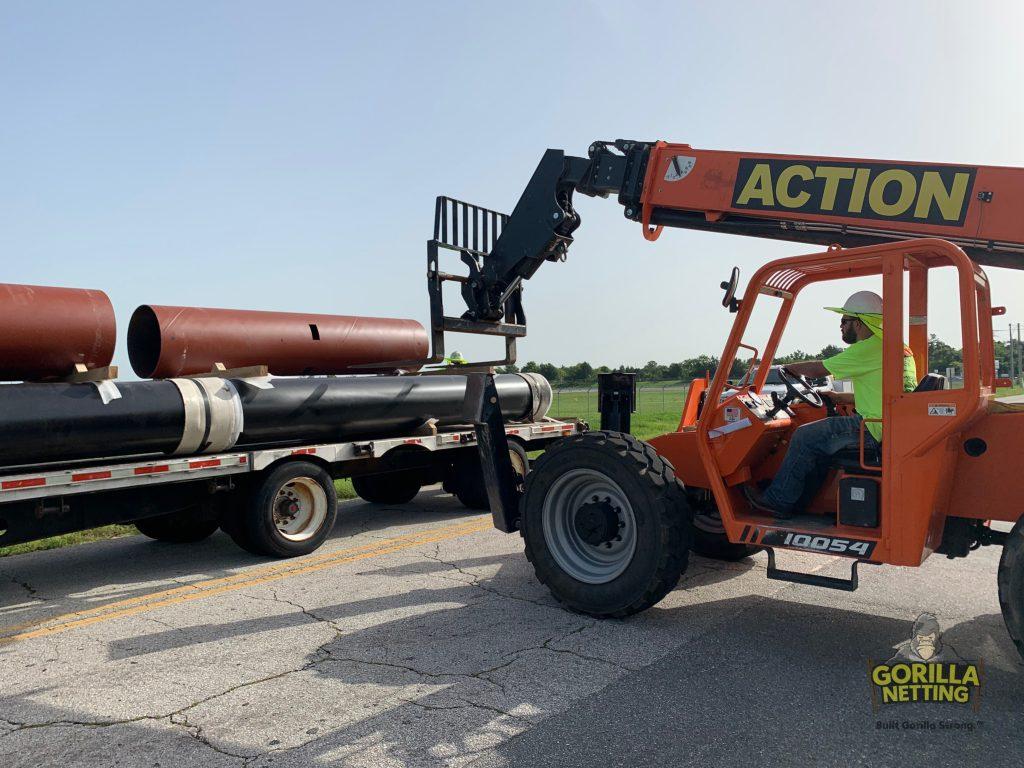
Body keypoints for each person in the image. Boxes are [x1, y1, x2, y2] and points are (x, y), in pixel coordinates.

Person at [744, 291, 917, 519]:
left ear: (859, 322)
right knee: (818, 442)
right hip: (889, 424)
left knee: (804, 436)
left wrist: (788, 368)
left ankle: (777, 501)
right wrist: (837, 397)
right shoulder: (896, 346)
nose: (841, 327)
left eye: (844, 321)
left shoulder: (870, 347)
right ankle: (799, 503)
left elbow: (819, 368)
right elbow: (885, 393)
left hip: (872, 428)